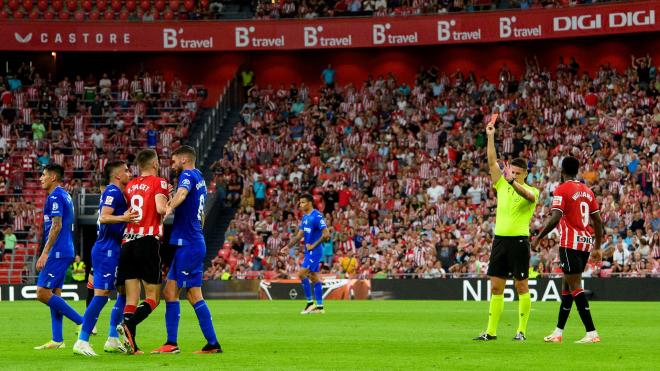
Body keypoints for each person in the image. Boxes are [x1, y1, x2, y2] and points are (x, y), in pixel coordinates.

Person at [474, 113, 539, 341]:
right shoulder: (502, 184)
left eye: (518, 173)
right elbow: (492, 162)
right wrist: (490, 136)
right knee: (496, 288)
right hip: (500, 241)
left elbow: (528, 197)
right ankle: (490, 332)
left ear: (525, 174)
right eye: (512, 171)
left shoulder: (532, 191)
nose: (514, 174)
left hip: (519, 242)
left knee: (521, 287)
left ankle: (521, 331)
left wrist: (512, 181)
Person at [152, 146, 222, 355]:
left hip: (188, 243)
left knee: (172, 291)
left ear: (184, 159)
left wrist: (168, 208)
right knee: (192, 295)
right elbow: (199, 215)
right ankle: (212, 344)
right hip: (193, 241)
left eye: (174, 161)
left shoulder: (188, 175)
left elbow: (182, 193)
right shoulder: (199, 176)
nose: (172, 165)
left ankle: (171, 343)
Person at [532, 156, 603, 344]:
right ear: (577, 170)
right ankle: (558, 332)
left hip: (570, 243)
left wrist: (538, 237)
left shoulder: (561, 189)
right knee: (566, 285)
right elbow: (597, 221)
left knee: (575, 287)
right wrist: (597, 247)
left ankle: (591, 332)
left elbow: (555, 218)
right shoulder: (587, 191)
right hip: (585, 243)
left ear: (562, 172)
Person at [73, 161, 139, 356]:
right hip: (106, 250)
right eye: (126, 170)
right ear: (118, 175)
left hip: (115, 249)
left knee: (124, 293)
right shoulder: (112, 191)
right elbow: (103, 217)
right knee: (101, 296)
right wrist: (123, 219)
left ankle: (112, 338)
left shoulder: (120, 193)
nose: (129, 173)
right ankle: (82, 340)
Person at [116, 149, 169, 355]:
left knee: (131, 299)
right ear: (155, 163)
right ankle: (128, 326)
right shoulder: (159, 182)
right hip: (147, 242)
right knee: (153, 297)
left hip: (127, 242)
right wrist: (171, 199)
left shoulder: (130, 185)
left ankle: (132, 345)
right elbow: (161, 209)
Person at [34, 164, 84, 350]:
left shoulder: (55, 196)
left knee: (42, 293)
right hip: (64, 249)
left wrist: (45, 252)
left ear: (53, 177)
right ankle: (57, 340)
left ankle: (83, 322)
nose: (40, 178)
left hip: (57, 250)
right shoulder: (64, 194)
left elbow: (57, 225)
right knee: (54, 294)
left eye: (44, 175)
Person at [283, 193, 330, 314]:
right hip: (308, 252)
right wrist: (288, 247)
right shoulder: (304, 217)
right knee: (314, 278)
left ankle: (310, 303)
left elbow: (326, 235)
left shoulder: (317, 216)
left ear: (309, 203)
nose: (301, 204)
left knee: (301, 274)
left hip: (315, 251)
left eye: (303, 202)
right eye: (300, 202)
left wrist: (313, 245)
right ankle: (320, 307)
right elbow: (299, 235)